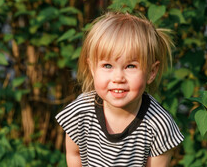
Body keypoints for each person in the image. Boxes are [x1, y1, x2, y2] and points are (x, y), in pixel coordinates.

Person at [55, 12, 184, 166]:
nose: (118, 78)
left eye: (130, 66)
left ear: (151, 72)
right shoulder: (81, 111)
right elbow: (74, 154)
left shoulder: (158, 124)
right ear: (92, 68)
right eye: (107, 66)